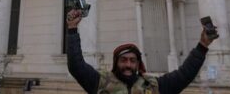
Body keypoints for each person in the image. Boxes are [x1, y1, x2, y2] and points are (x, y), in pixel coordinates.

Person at [65, 9, 216, 94]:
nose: (128, 65)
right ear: (116, 62)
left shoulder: (152, 86)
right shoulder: (101, 82)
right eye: (123, 60)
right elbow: (76, 66)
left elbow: (184, 75)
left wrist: (202, 46)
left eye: (132, 60)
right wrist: (72, 29)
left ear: (138, 64)